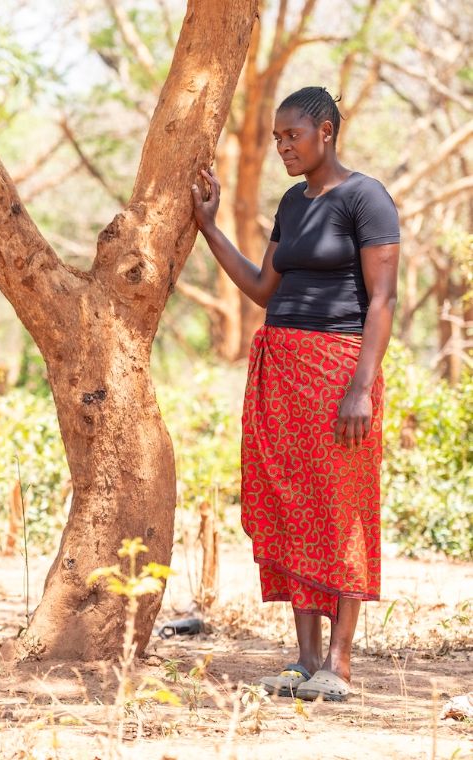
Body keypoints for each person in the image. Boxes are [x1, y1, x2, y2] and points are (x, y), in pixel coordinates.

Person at [191, 86, 400, 702]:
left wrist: (361, 387)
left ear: (327, 132)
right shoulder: (291, 201)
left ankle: (339, 663)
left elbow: (383, 300)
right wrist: (208, 226)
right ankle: (304, 661)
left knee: (340, 509)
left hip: (338, 371)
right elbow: (261, 287)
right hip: (279, 365)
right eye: (278, 137)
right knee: (289, 505)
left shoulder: (367, 198)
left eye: (293, 136)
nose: (283, 145)